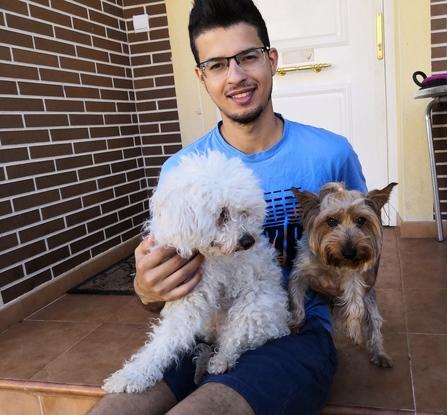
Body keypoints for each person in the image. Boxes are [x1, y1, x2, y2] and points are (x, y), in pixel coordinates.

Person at [90, 0, 367, 414]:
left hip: (296, 328)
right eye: (218, 64)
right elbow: (161, 297)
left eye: (248, 57)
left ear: (271, 60)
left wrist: (342, 281)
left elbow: (369, 262)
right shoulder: (179, 173)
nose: (236, 76)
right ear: (202, 77)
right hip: (200, 327)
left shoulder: (330, 153)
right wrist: (146, 290)